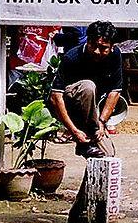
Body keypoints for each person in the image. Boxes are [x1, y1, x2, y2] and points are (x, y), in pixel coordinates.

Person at [49, 21, 124, 159]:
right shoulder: (71, 57)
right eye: (93, 45)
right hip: (69, 105)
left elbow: (115, 91)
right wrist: (74, 131)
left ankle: (91, 175)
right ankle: (85, 142)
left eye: (103, 48)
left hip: (92, 112)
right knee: (88, 87)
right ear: (87, 41)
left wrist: (102, 122)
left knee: (107, 155)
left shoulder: (115, 56)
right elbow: (55, 97)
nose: (97, 51)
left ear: (112, 47)